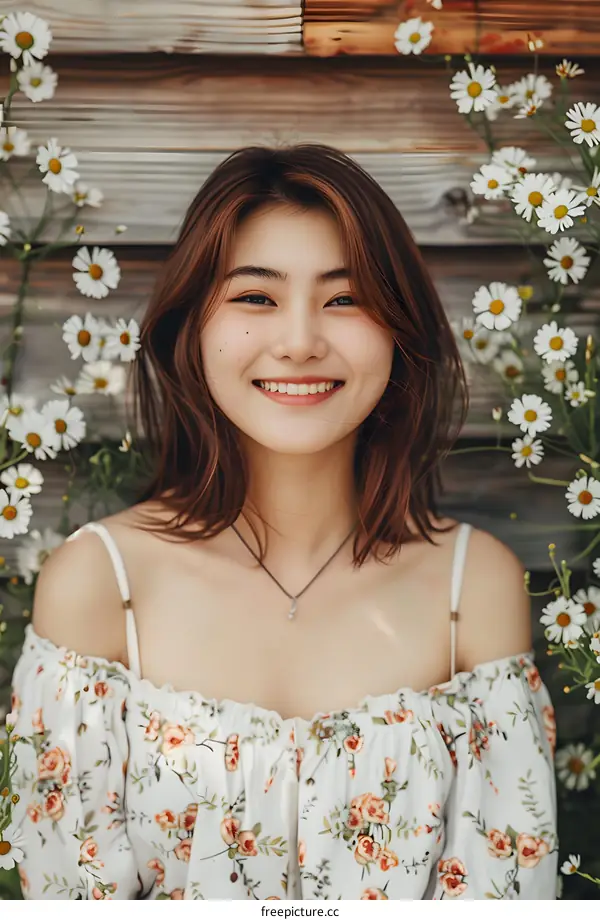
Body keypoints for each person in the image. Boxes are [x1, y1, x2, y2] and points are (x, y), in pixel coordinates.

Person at [8, 144, 557, 900]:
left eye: (345, 297)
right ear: (190, 328)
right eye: (256, 298)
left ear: (400, 334)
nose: (300, 341)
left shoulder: (475, 588)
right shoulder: (100, 584)